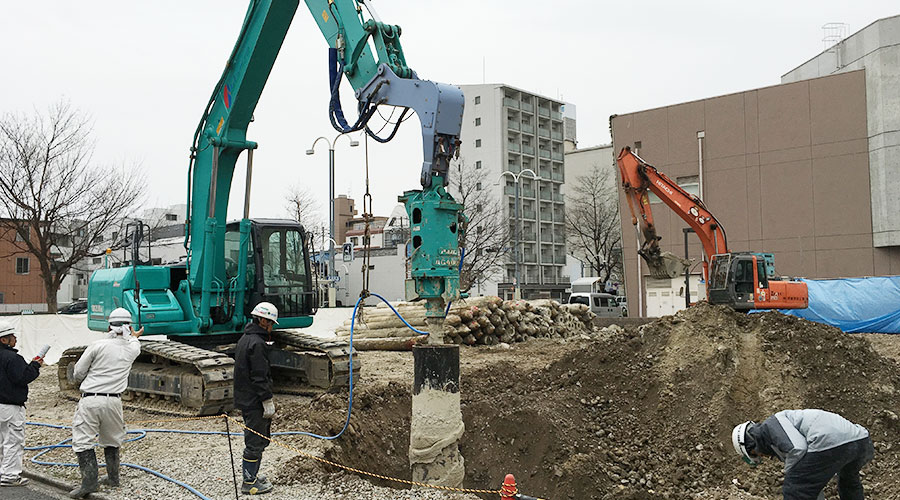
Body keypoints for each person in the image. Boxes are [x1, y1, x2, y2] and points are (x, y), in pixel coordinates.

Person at [69, 308, 143, 499]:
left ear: (109, 325)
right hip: (115, 401)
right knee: (112, 439)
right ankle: (113, 478)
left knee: (83, 440)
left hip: (92, 399)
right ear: (129, 325)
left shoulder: (97, 345)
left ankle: (89, 483)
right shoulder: (133, 348)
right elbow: (134, 341)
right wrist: (134, 336)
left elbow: (78, 372)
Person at [732, 409, 874, 500]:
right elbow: (809, 478)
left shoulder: (772, 425)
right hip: (860, 440)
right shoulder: (778, 433)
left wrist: (791, 473)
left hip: (830, 442)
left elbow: (798, 448)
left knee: (794, 487)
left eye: (754, 453)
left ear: (750, 441)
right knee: (848, 482)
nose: (761, 456)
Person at [234, 302, 279, 495]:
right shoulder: (257, 344)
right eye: (269, 322)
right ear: (261, 320)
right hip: (254, 402)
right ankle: (249, 482)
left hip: (246, 399)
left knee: (257, 439)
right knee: (255, 441)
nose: (271, 326)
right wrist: (266, 399)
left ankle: (252, 475)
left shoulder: (245, 338)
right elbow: (259, 376)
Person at [0, 321, 43, 487]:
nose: (15, 339)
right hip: (10, 406)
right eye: (12, 337)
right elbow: (22, 377)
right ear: (4, 340)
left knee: (2, 441)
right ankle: (10, 475)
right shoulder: (12, 358)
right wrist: (35, 365)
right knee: (12, 441)